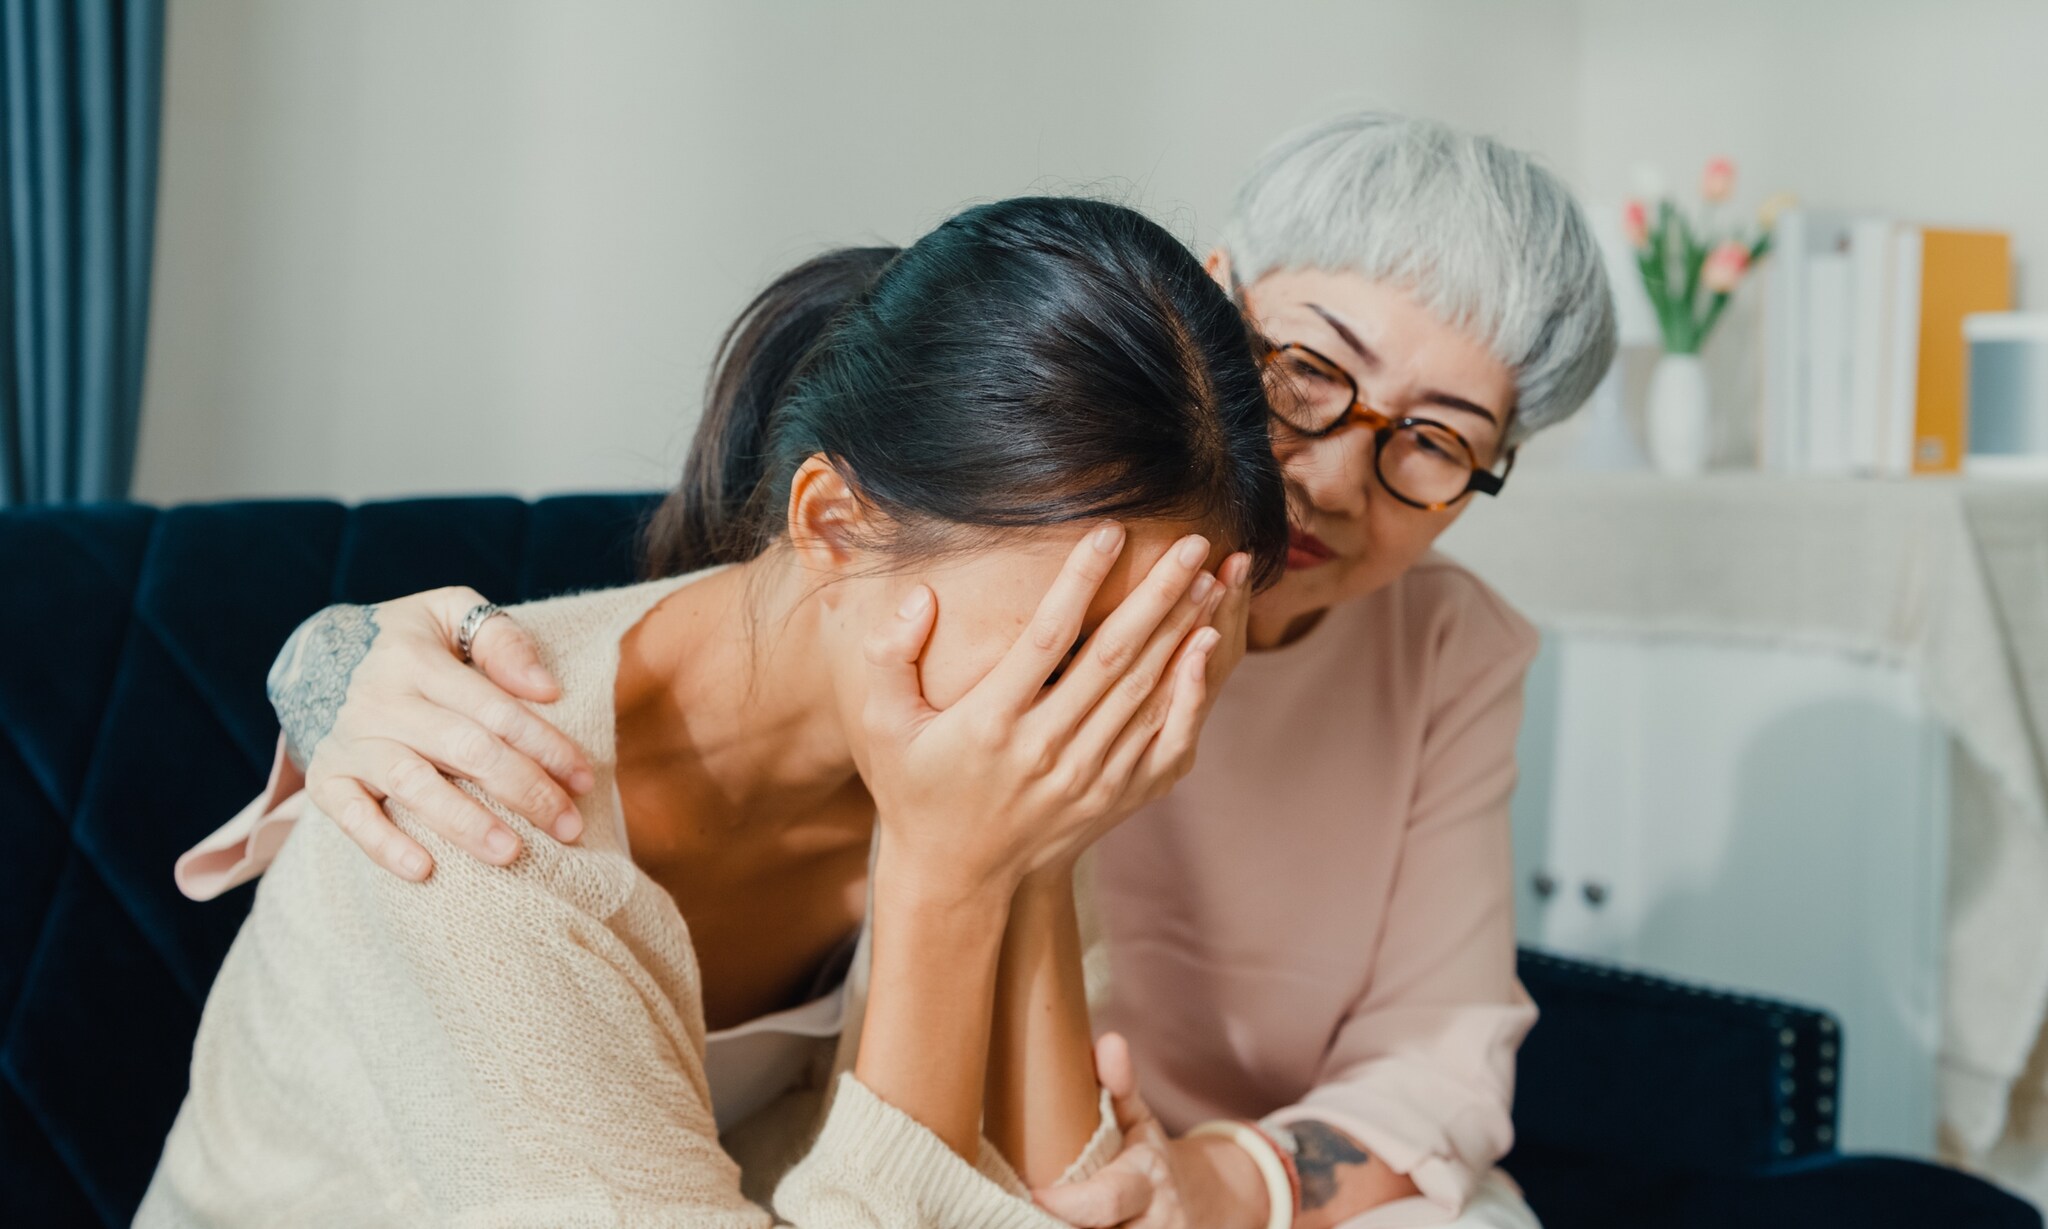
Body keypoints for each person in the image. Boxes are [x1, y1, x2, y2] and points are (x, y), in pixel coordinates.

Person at [179, 113, 1617, 1229]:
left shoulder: (1043, 741)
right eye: (1304, 377)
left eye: (1432, 440)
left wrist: (1013, 880)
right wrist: (336, 660)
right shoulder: (476, 802)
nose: (1330, 475)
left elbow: (1053, 1187)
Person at [141, 195, 1288, 1227]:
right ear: (833, 525)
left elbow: (1063, 1205)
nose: (1084, 728)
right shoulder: (466, 804)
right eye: (1060, 651)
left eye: (1148, 663)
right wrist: (953, 882)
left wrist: (1031, 862)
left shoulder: (1001, 770)